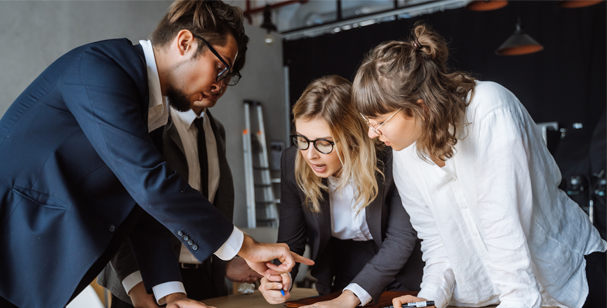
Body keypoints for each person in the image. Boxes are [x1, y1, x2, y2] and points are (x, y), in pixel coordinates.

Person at [0, 1, 312, 307]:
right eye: (220, 68)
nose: (219, 84)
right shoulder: (99, 70)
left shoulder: (150, 110)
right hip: (13, 243)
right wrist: (246, 246)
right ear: (185, 42)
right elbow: (149, 183)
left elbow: (142, 210)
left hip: (37, 263)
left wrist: (171, 294)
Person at [352, 23, 607, 308]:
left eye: (379, 122)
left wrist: (517, 304)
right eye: (368, 123)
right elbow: (436, 239)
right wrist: (429, 297)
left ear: (420, 107)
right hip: (498, 296)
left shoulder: (489, 109)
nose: (373, 134)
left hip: (570, 280)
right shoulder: (404, 151)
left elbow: (504, 223)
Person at [97, 69, 261, 306]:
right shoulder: (148, 122)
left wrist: (228, 259)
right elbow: (123, 208)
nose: (219, 85)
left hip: (204, 277)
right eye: (215, 71)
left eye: (228, 75)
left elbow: (211, 206)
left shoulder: (217, 130)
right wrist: (136, 284)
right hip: (146, 280)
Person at [259, 76, 424, 308]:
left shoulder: (391, 158)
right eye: (302, 139)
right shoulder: (292, 161)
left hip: (401, 269)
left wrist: (350, 297)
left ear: (353, 137)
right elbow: (290, 242)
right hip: (340, 268)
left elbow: (400, 239)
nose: (310, 155)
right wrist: (279, 277)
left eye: (324, 143)